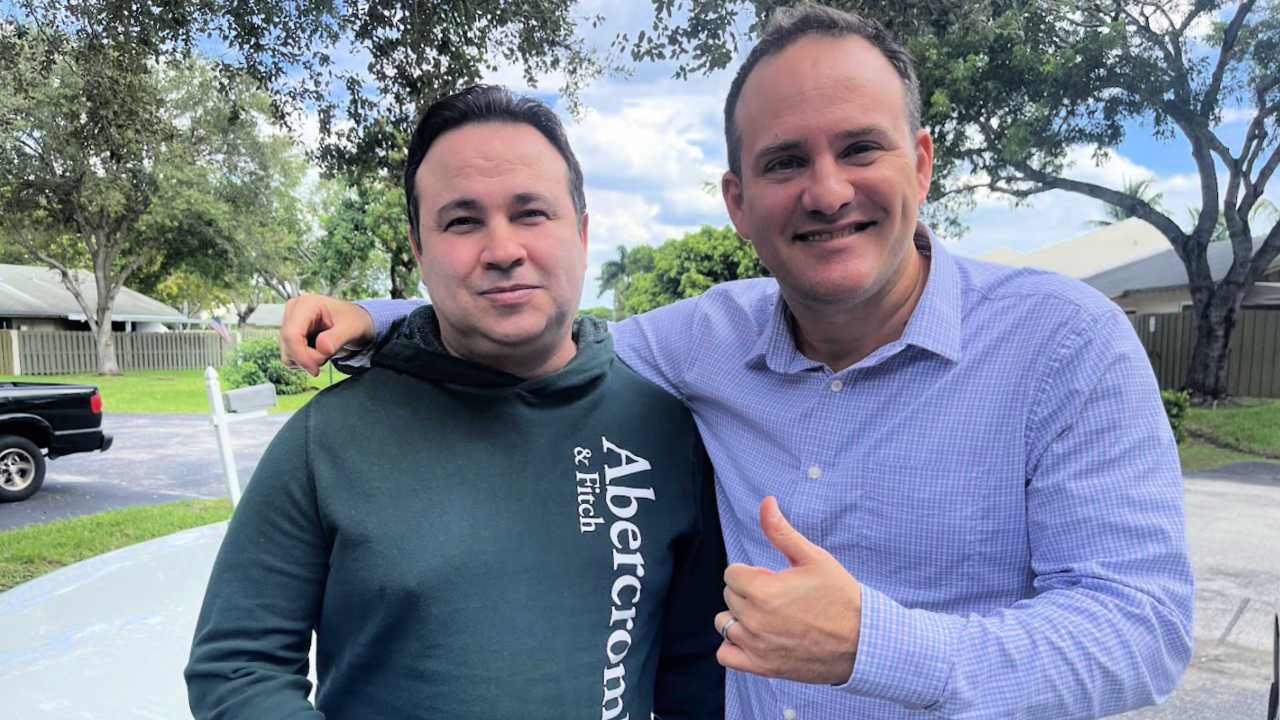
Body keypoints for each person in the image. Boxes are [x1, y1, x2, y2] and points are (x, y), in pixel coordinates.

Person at [278, 5, 1195, 718]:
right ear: (738, 200)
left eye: (860, 148)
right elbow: (548, 331)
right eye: (786, 161)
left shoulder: (1065, 345)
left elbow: (1140, 631)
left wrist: (877, 643)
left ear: (920, 162)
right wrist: (381, 315)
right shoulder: (700, 340)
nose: (828, 191)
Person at [186, 85, 728, 720]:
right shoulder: (327, 441)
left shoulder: (664, 429)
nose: (502, 250)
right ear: (419, 248)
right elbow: (237, 667)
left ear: (581, 232)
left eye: (531, 213)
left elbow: (695, 668)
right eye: (463, 221)